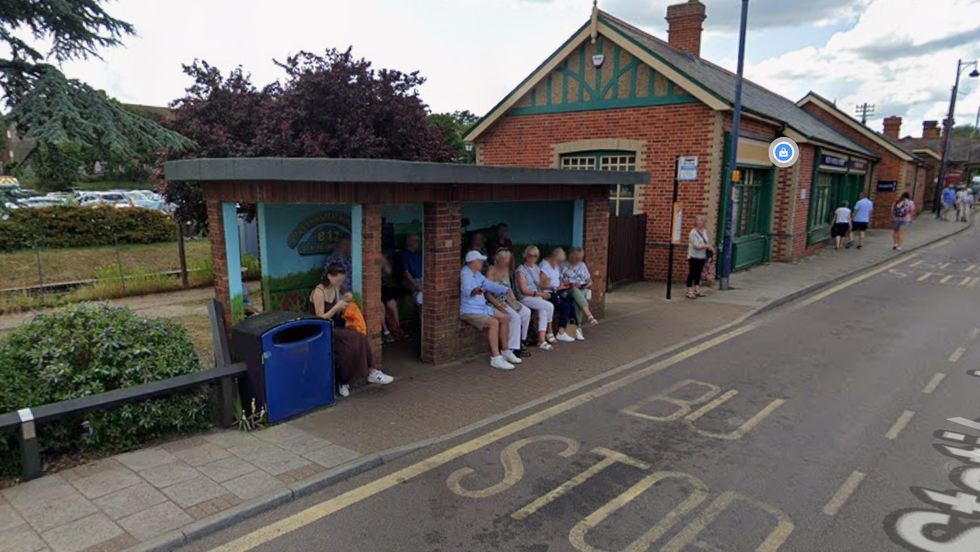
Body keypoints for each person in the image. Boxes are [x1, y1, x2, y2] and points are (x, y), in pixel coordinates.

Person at [309, 263, 394, 397]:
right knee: (354, 339)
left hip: (335, 325)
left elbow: (338, 313)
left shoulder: (335, 288)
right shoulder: (318, 293)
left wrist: (345, 301)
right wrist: (337, 307)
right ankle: (360, 376)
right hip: (322, 329)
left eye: (341, 280)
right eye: (337, 280)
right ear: (329, 276)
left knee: (359, 334)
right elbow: (320, 319)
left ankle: (369, 373)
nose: (339, 283)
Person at [460, 251, 524, 370]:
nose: (482, 263)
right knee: (493, 322)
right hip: (470, 310)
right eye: (480, 261)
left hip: (481, 308)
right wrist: (476, 291)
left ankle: (506, 351)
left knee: (505, 318)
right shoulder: (465, 274)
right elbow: (467, 290)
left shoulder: (477, 274)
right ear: (473, 262)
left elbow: (489, 285)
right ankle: (495, 358)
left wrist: (506, 290)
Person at [485, 249, 532, 358]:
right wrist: (498, 305)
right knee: (514, 317)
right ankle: (511, 347)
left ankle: (521, 340)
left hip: (508, 300)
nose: (506, 262)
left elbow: (509, 288)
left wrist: (514, 300)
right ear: (498, 259)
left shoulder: (506, 270)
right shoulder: (491, 271)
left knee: (526, 312)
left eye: (507, 260)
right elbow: (487, 293)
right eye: (504, 259)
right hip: (496, 301)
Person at [515, 246, 555, 351]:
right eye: (530, 255)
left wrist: (550, 286)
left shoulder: (537, 268)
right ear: (526, 256)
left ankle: (542, 340)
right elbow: (523, 290)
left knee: (543, 311)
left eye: (535, 256)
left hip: (536, 296)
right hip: (525, 297)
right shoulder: (521, 270)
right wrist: (541, 294)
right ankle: (549, 331)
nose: (532, 258)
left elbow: (540, 284)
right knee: (549, 306)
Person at [539, 248, 577, 343]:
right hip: (549, 293)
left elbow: (557, 278)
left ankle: (574, 328)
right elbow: (542, 284)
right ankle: (561, 332)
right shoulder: (545, 266)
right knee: (565, 306)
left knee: (571, 302)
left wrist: (562, 284)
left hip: (558, 290)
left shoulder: (555, 265)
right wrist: (555, 288)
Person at [561, 247, 599, 340]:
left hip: (581, 289)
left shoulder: (582, 265)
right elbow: (560, 281)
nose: (577, 261)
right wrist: (571, 284)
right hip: (568, 289)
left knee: (577, 299)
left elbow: (589, 281)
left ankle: (576, 329)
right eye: (575, 258)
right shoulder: (563, 265)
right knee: (575, 290)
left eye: (579, 259)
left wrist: (586, 285)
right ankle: (588, 316)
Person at [686, 215, 714, 299]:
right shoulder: (693, 232)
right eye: (698, 221)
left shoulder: (704, 231)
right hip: (694, 255)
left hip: (702, 256)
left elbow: (707, 241)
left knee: (699, 273)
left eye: (702, 221)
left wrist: (708, 246)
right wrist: (707, 246)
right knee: (692, 273)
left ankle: (697, 289)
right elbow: (696, 245)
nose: (700, 222)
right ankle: (689, 290)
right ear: (695, 222)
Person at [381, 255, 406, 343]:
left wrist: (383, 261)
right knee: (381, 307)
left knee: (393, 304)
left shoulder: (379, 258)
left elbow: (389, 271)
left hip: (382, 287)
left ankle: (397, 328)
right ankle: (385, 331)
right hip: (369, 289)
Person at [399, 233, 424, 305]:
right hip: (411, 280)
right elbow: (406, 273)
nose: (417, 243)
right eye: (415, 241)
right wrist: (416, 285)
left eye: (418, 241)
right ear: (408, 242)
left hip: (422, 279)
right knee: (420, 297)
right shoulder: (404, 254)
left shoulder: (420, 254)